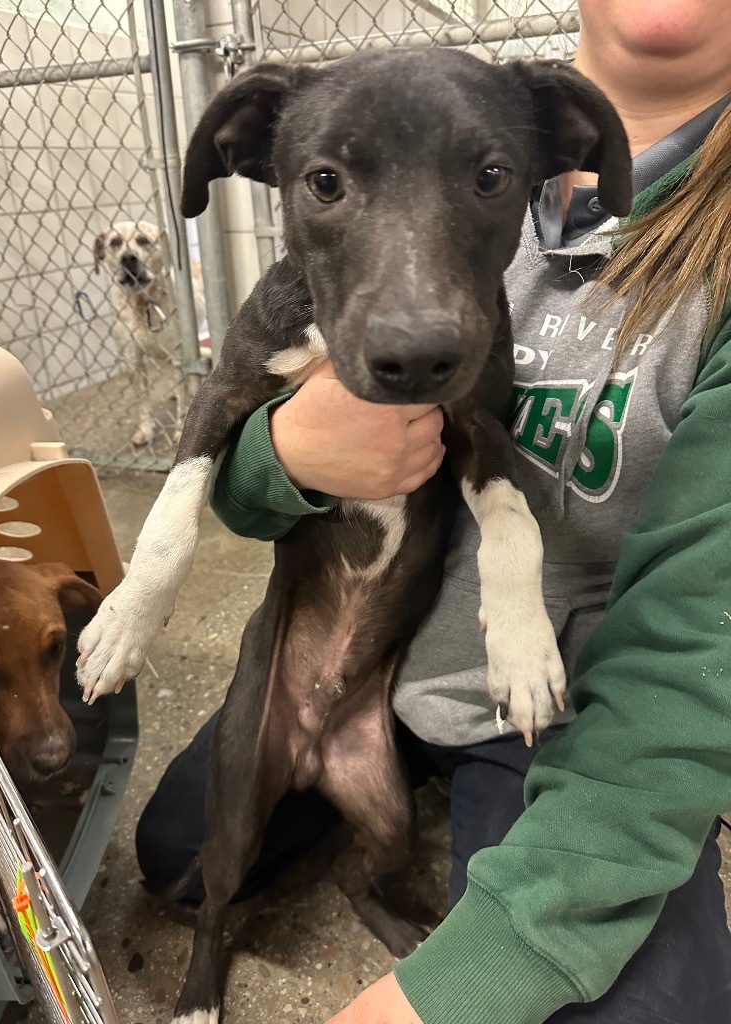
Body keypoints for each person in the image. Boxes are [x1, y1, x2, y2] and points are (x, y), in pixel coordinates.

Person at [136, 2, 731, 1020]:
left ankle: (435, 814)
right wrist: (290, 455)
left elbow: (698, 644)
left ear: (552, 149)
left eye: (489, 180)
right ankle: (374, 782)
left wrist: (480, 971)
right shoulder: (400, 121)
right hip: (386, 650)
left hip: (549, 708)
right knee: (181, 855)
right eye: (328, 183)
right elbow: (247, 492)